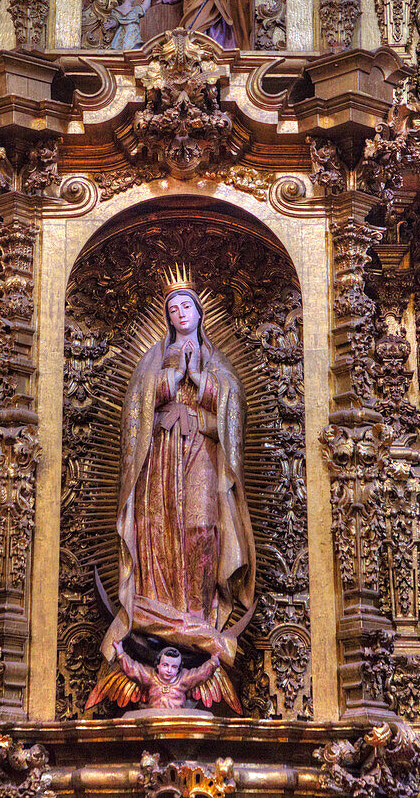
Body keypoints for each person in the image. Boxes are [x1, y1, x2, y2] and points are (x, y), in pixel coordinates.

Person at [101, 266, 255, 668]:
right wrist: (170, 380)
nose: (180, 314)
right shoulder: (154, 358)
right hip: (161, 455)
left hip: (201, 453)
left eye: (186, 306)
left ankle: (197, 613)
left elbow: (234, 407)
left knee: (202, 528)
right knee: (157, 526)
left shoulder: (215, 360)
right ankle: (157, 605)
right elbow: (135, 409)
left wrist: (201, 382)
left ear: (200, 313)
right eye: (173, 309)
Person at [111, 642, 220, 710]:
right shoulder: (150, 677)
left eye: (173, 667)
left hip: (176, 721)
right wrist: (121, 654)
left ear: (178, 668)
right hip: (154, 719)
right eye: (165, 665)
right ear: (158, 665)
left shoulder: (183, 679)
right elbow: (133, 669)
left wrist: (213, 661)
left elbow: (200, 674)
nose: (169, 670)